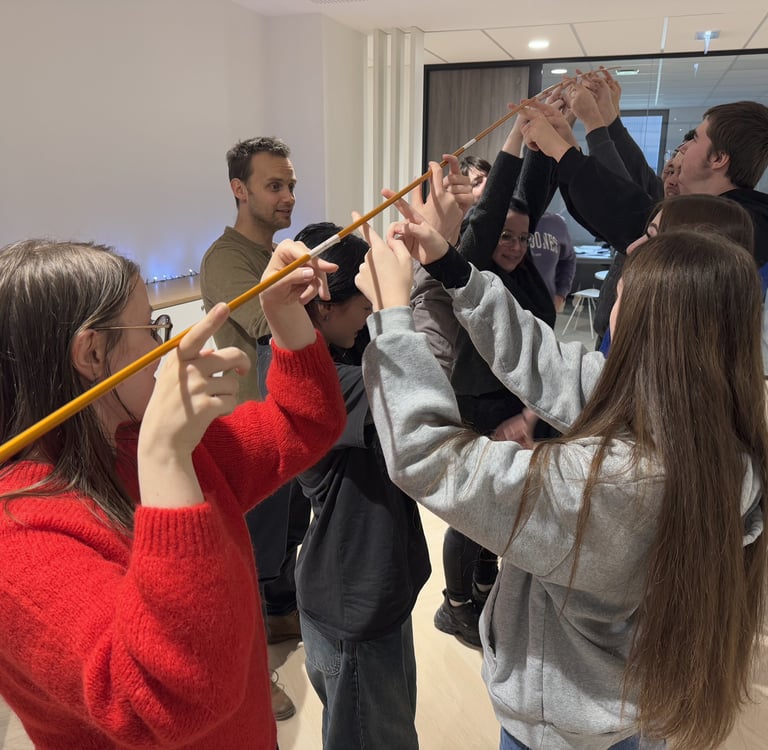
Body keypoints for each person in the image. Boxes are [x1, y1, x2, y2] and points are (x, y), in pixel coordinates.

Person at [355, 213, 768, 750]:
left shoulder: (607, 488)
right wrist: (451, 268)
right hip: (636, 699)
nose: (631, 248)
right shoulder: (718, 434)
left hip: (565, 731)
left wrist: (392, 318)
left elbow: (429, 457)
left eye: (622, 297)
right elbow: (546, 361)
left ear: (648, 325)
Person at [0, 238, 346, 749]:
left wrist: (282, 313)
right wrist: (165, 457)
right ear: (92, 353)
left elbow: (302, 424)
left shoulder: (133, 440)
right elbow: (173, 700)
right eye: (150, 328)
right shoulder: (18, 539)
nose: (163, 345)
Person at [257, 222, 431, 750]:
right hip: (353, 602)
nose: (370, 316)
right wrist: (400, 302)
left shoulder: (339, 360)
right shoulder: (326, 383)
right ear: (326, 307)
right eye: (365, 306)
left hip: (367, 592)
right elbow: (422, 389)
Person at [199, 136, 306, 719]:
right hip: (247, 431)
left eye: (290, 185)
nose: (287, 196)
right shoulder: (226, 259)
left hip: (280, 422)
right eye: (274, 186)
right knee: (250, 555)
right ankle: (255, 675)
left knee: (286, 532)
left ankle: (283, 614)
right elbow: (268, 323)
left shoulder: (274, 254)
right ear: (239, 190)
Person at [528, 212, 576, 311]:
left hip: (546, 305)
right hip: (509, 302)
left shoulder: (556, 223)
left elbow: (568, 259)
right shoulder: (504, 217)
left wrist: (561, 294)